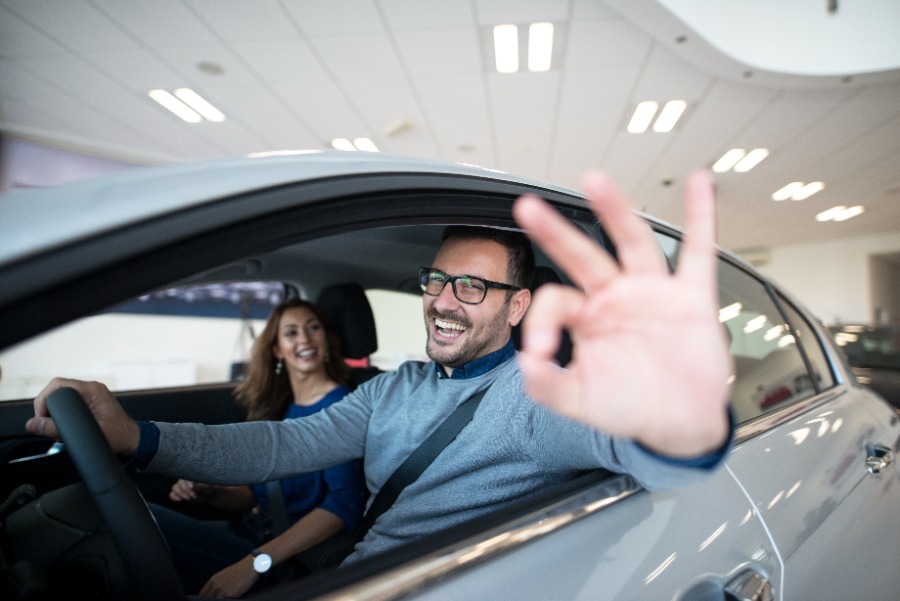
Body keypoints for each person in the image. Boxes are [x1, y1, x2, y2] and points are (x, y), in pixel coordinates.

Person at [27, 169, 733, 572]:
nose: (443, 303)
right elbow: (283, 445)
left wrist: (683, 414)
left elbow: (648, 451)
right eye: (436, 280)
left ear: (518, 306)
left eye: (472, 287)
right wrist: (137, 437)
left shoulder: (535, 396)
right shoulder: (396, 386)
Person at [149, 299, 366, 597]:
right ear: (277, 349)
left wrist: (256, 563)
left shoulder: (342, 407)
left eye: (313, 328)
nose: (304, 338)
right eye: (291, 332)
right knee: (143, 521)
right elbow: (261, 495)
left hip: (278, 558)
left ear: (327, 340)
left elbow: (343, 505)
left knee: (142, 530)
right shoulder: (287, 407)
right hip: (250, 533)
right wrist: (210, 493)